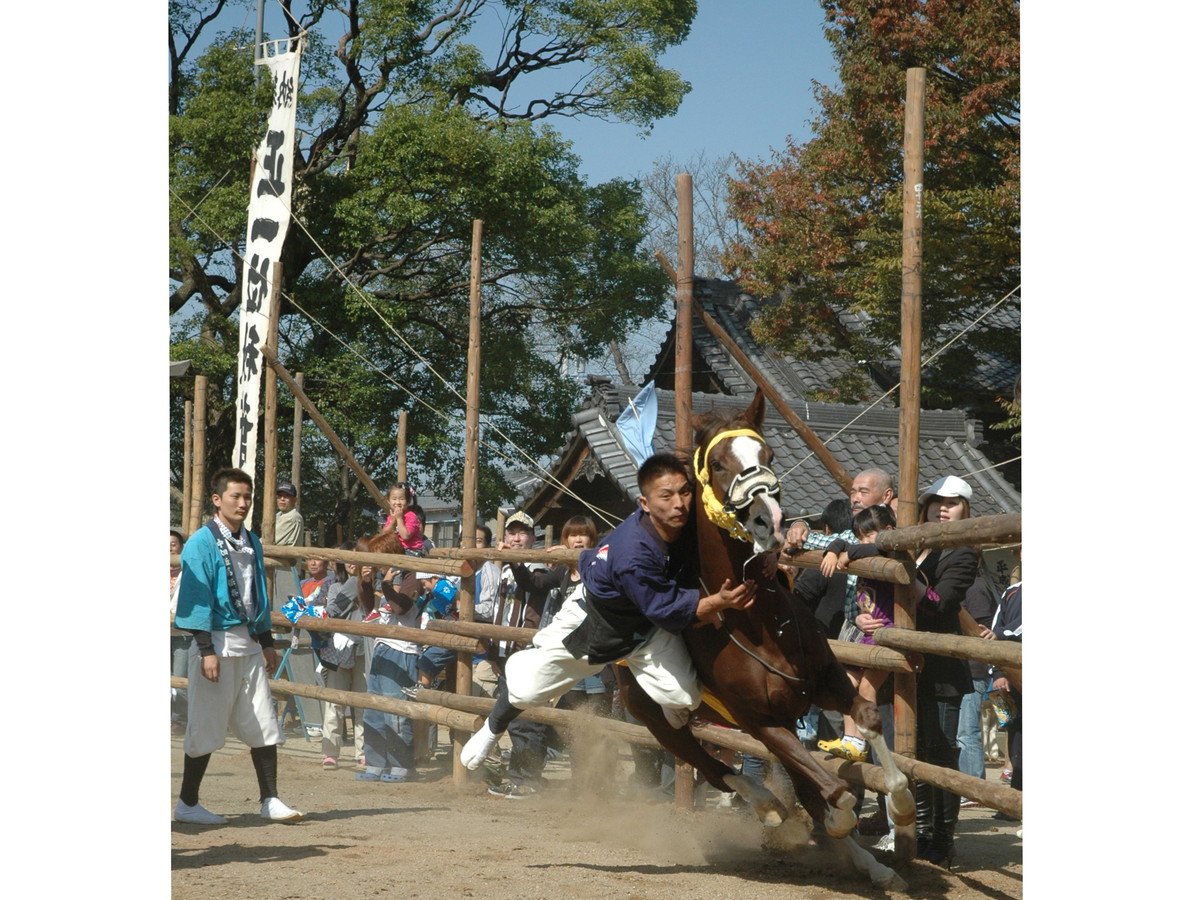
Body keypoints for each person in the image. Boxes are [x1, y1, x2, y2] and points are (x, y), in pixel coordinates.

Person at [460, 453, 757, 788]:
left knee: (684, 698)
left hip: (646, 629)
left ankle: (673, 716)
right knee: (527, 687)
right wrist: (717, 602)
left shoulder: (685, 520)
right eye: (667, 496)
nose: (679, 504)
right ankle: (492, 728)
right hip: (594, 621)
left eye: (685, 492)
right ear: (645, 502)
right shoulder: (633, 551)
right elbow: (667, 608)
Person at [856, 474, 977, 867]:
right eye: (935, 501)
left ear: (966, 510)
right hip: (906, 665)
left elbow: (942, 606)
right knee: (911, 751)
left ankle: (941, 841)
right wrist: (865, 618)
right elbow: (879, 594)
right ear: (922, 507)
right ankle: (918, 834)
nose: (942, 508)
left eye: (953, 502)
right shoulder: (915, 546)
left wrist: (908, 577)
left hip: (941, 668)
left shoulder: (963, 551)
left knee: (941, 753)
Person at [173, 467, 303, 824]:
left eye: (247, 497)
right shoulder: (201, 542)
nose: (243, 503)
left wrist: (266, 640)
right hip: (216, 642)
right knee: (206, 724)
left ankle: (270, 799)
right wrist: (205, 649)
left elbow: (257, 593)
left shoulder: (252, 541)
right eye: (235, 496)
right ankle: (187, 803)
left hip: (247, 644)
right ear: (217, 500)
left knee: (263, 720)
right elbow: (195, 597)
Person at [815, 504, 912, 763]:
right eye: (860, 536)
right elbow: (843, 541)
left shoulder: (896, 549)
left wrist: (845, 552)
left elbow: (876, 546)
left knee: (868, 687)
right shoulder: (862, 554)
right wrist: (836, 549)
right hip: (866, 630)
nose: (864, 541)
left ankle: (869, 745)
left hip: (889, 631)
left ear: (889, 531)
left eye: (870, 534)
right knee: (848, 684)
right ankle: (852, 741)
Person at [358, 556, 422, 783]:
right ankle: (375, 762)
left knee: (396, 714)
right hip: (381, 647)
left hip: (402, 651)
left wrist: (385, 584)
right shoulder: (383, 578)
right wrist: (366, 584)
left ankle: (401, 765)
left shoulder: (412, 575)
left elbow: (400, 607)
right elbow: (372, 610)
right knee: (373, 711)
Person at [317, 539, 371, 770]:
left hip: (363, 651)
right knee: (335, 703)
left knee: (362, 704)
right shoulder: (334, 586)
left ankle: (364, 751)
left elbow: (371, 610)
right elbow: (333, 610)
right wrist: (355, 583)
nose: (351, 562)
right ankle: (330, 752)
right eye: (347, 558)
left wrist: (364, 583)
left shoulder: (370, 584)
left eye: (355, 557)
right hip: (338, 652)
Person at [989, 578, 1022, 810]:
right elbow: (993, 631)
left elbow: (1001, 632)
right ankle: (1018, 801)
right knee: (1016, 735)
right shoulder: (1011, 592)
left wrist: (1001, 634)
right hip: (1012, 677)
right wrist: (998, 672)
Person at [171, 529, 190, 734]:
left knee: (180, 678)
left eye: (174, 544)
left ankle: (179, 721)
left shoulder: (188, 572)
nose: (169, 548)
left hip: (182, 633)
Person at [378, 481, 425, 555]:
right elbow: (384, 534)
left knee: (395, 566)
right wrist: (393, 521)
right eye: (394, 499)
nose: (398, 502)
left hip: (411, 551)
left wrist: (399, 519)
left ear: (408, 501)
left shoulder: (411, 516)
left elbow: (405, 536)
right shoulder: (391, 517)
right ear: (388, 501)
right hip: (397, 551)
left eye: (402, 499)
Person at [274, 481, 305, 547]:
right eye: (280, 496)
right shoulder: (279, 515)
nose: (282, 499)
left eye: (287, 496)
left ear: (294, 500)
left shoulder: (291, 517)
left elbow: (268, 540)